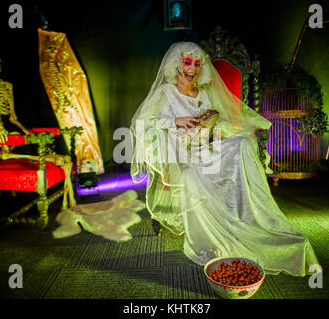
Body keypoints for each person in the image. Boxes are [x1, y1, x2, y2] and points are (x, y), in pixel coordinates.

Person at [130, 42, 318, 276]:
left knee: (241, 144)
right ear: (176, 65)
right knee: (193, 173)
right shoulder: (165, 92)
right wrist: (175, 122)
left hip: (208, 144)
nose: (192, 69)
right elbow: (143, 123)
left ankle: (245, 218)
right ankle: (215, 236)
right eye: (187, 62)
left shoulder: (206, 92)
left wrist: (209, 126)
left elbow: (217, 121)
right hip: (180, 151)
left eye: (197, 64)